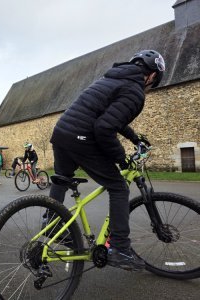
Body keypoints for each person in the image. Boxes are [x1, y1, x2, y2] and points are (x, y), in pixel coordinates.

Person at [49, 50, 165, 271]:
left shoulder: (111, 78)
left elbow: (109, 115)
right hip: (81, 136)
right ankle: (120, 248)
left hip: (62, 132)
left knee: (62, 178)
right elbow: (103, 128)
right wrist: (121, 159)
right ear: (151, 77)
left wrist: (133, 136)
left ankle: (50, 223)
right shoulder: (135, 91)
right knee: (119, 187)